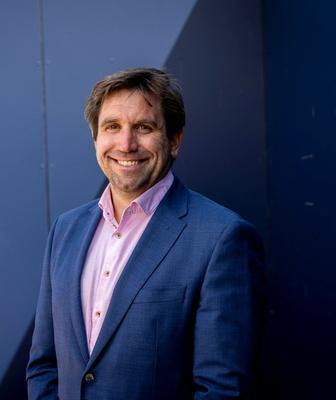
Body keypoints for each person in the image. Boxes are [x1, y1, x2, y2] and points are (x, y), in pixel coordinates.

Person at [26, 68, 266, 400]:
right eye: (112, 126)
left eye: (144, 127)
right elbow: (44, 366)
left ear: (174, 140)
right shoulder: (66, 230)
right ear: (95, 138)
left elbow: (221, 390)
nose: (126, 144)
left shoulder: (222, 238)